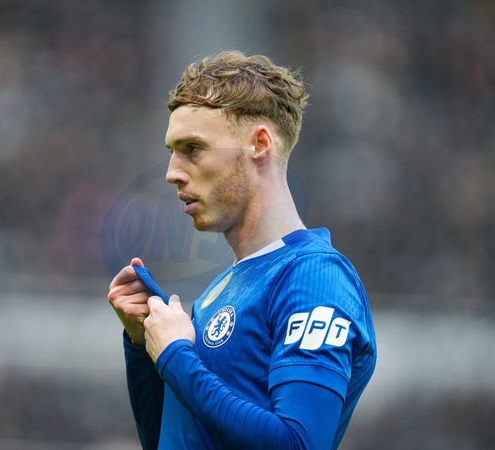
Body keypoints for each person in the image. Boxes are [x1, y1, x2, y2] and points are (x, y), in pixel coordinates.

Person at [107, 50, 377, 450]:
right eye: (171, 151)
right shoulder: (221, 290)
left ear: (260, 144)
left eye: (192, 148)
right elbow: (177, 440)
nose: (171, 172)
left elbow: (298, 443)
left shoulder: (313, 277)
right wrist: (144, 347)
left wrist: (176, 356)